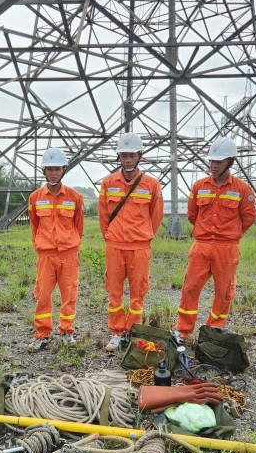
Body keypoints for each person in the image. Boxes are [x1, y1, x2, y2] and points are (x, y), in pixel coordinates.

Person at [173, 137, 255, 344]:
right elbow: (193, 215)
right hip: (201, 246)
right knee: (190, 287)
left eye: (219, 161)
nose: (214, 165)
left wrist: (230, 234)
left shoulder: (242, 189)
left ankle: (214, 331)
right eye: (211, 161)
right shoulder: (199, 186)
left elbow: (248, 218)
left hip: (227, 248)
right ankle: (182, 331)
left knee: (223, 291)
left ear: (230, 162)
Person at [98, 132, 164, 351]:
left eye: (132, 155)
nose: (128, 159)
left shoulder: (151, 184)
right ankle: (117, 332)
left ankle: (134, 332)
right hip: (115, 246)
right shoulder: (108, 183)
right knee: (114, 292)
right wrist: (111, 236)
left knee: (138, 293)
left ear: (139, 156)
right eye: (124, 155)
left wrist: (143, 235)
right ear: (119, 157)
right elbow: (103, 216)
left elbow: (156, 216)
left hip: (139, 247)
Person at [26, 148, 85, 351]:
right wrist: (40, 245)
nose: (53, 173)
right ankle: (42, 333)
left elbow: (79, 225)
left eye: (57, 169)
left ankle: (66, 331)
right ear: (44, 170)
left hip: (68, 254)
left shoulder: (75, 197)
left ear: (63, 170)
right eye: (49, 169)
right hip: (46, 254)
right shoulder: (35, 198)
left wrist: (71, 243)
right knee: (43, 294)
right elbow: (34, 226)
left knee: (69, 294)